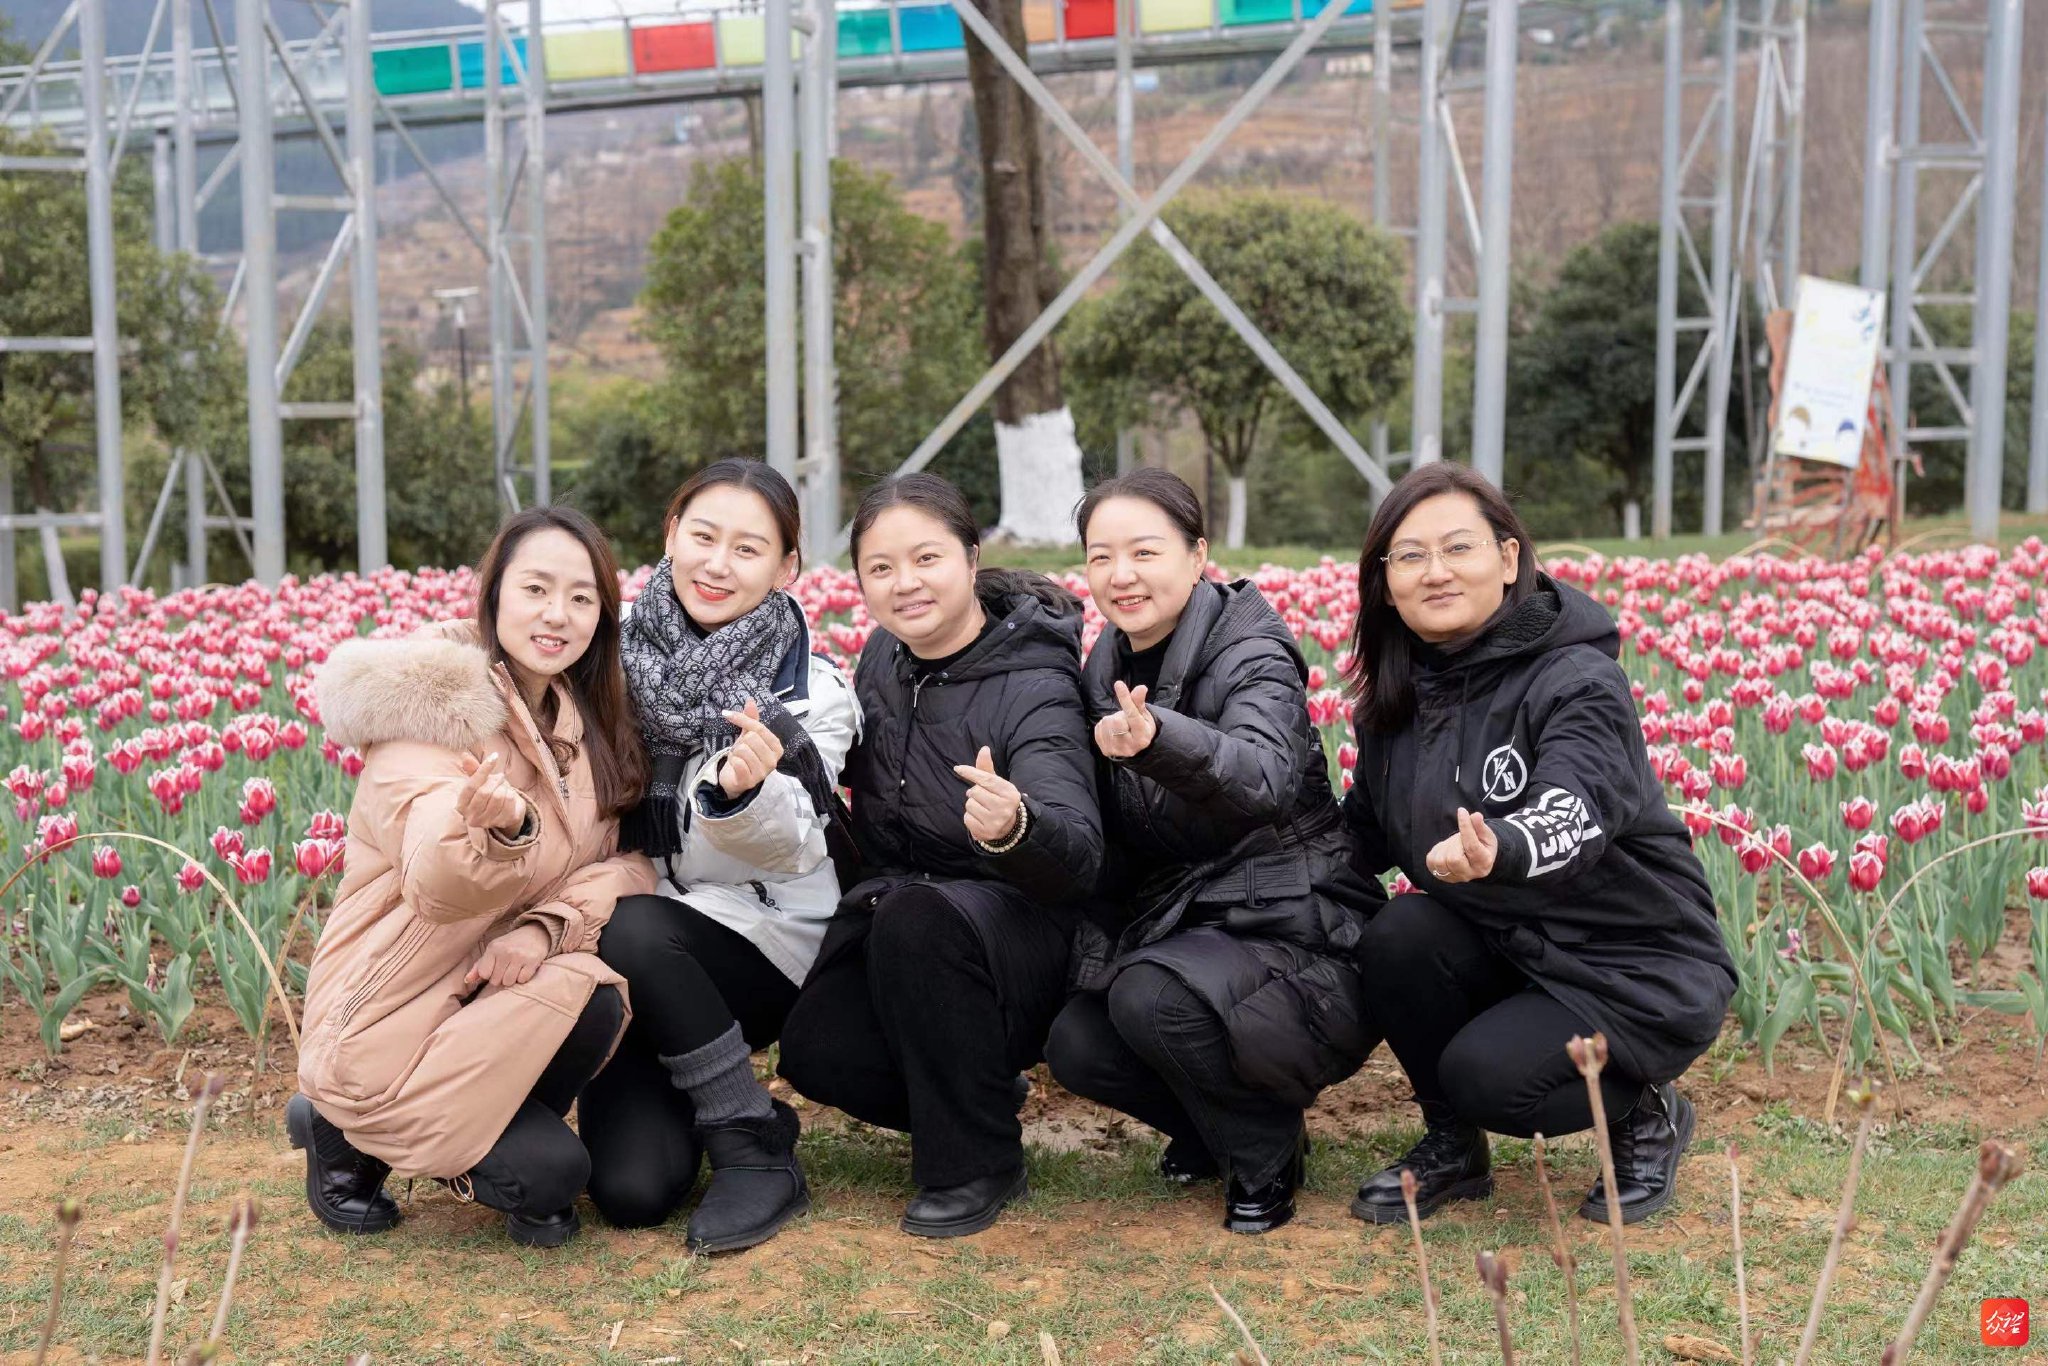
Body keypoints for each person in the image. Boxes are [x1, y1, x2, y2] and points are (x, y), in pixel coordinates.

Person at [1341, 462, 1736, 1227]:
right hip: (1520, 947)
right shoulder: (1397, 702)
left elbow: (1575, 807)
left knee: (1487, 1078)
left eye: (1459, 548)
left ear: (1510, 558)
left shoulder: (1577, 678)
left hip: (1629, 961)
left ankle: (1646, 1113)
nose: (1436, 572)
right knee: (1398, 935)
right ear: (1385, 582)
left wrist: (1504, 848)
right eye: (1410, 556)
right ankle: (1453, 1147)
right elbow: (1361, 831)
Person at [294, 506, 655, 1247]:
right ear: (493, 595)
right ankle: (345, 1125)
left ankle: (430, 1130)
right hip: (390, 1018)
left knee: (595, 997)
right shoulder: (431, 711)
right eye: (536, 589)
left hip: (487, 1000)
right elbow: (436, 876)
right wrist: (493, 833)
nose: (558, 614)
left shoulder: (585, 724)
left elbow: (627, 866)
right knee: (552, 1182)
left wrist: (542, 926)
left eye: (582, 597)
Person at [1043, 470, 1380, 1235]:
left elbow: (1260, 778)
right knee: (1077, 1042)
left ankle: (1262, 1151)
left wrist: (1161, 739)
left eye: (1144, 552)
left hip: (1303, 921)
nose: (1121, 576)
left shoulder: (1254, 652)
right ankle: (1213, 1123)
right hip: (1199, 921)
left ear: (1198, 556)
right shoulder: (1104, 668)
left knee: (1149, 999)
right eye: (1100, 557)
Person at [776, 473, 1103, 1239]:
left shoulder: (1034, 682)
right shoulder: (883, 660)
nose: (905, 584)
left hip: (1024, 933)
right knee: (816, 1050)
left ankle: (977, 1160)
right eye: (880, 569)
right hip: (909, 922)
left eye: (926, 559)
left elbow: (1079, 855)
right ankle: (980, 1088)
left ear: (971, 555)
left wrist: (1016, 825)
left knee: (920, 916)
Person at [579, 460, 860, 1252]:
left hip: (759, 946)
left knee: (638, 925)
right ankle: (731, 1101)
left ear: (786, 568)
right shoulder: (604, 674)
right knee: (632, 1192)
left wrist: (743, 795)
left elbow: (797, 836)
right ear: (670, 537)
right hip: (633, 954)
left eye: (747, 548)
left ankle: (752, 1152)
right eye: (703, 537)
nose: (717, 563)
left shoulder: (811, 693)